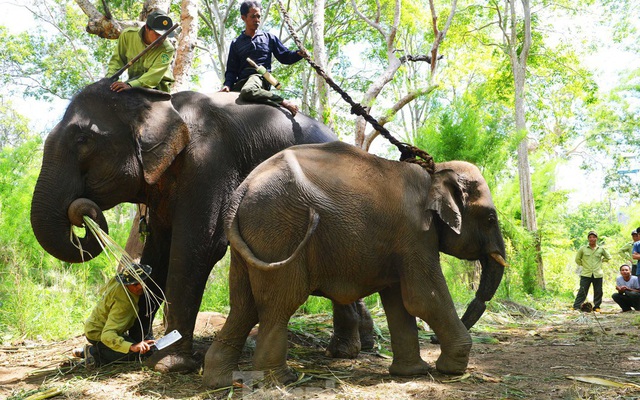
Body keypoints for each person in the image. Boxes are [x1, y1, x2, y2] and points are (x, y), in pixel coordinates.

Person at [220, 1, 303, 116]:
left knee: (248, 91)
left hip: (259, 78)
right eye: (253, 16)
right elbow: (231, 70)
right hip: (241, 82)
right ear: (243, 18)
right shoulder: (236, 43)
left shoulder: (269, 38)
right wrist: (227, 85)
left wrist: (299, 54)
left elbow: (285, 57)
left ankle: (282, 101)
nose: (257, 19)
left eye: (258, 16)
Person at [72, 264, 156, 367]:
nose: (140, 286)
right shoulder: (124, 304)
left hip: (98, 325)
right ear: (126, 284)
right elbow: (107, 335)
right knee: (136, 355)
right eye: (135, 284)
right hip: (99, 334)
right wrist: (133, 346)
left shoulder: (119, 280)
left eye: (142, 282)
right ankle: (92, 353)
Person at [106, 9, 176, 93]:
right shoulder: (127, 35)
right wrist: (108, 81)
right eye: (157, 34)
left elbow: (154, 76)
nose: (161, 39)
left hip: (156, 88)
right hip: (131, 83)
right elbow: (117, 61)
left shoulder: (167, 49)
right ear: (147, 28)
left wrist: (130, 85)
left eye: (165, 35)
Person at [572, 230, 611, 312]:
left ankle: (597, 306)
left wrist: (602, 261)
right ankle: (576, 306)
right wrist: (584, 265)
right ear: (588, 239)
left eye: (593, 237)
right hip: (586, 273)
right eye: (590, 237)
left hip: (598, 273)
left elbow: (608, 257)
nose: (592, 239)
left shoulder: (601, 249)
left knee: (598, 291)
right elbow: (577, 259)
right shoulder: (583, 249)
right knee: (582, 290)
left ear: (596, 238)